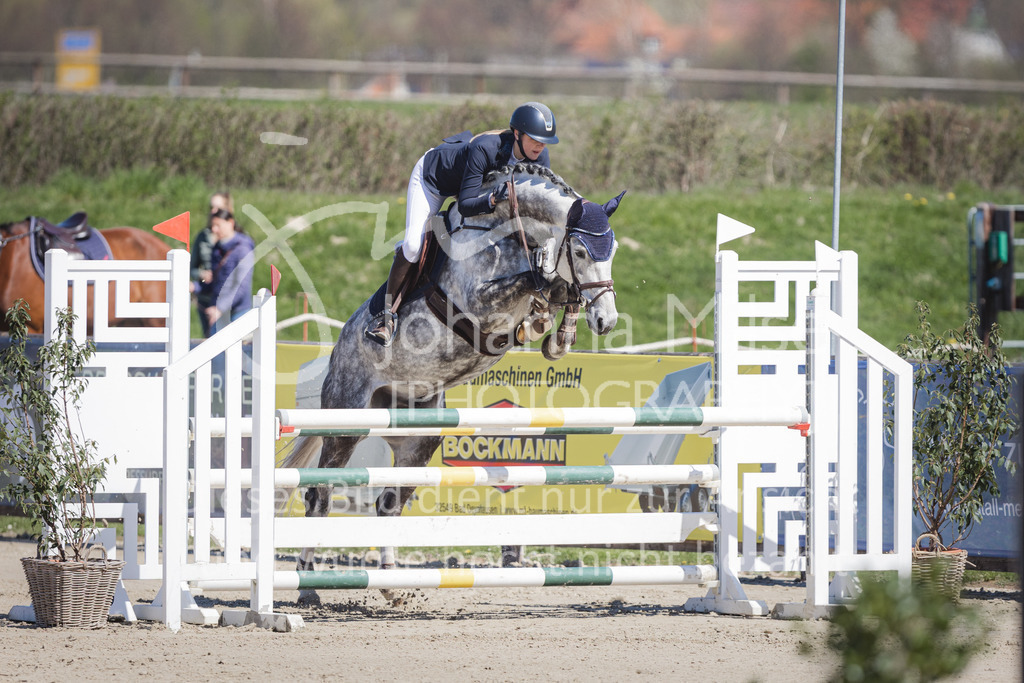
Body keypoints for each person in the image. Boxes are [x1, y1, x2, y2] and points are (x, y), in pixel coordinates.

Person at [365, 102, 559, 347]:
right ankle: (386, 317)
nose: (540, 146)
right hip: (434, 182)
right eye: (535, 139)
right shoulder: (485, 148)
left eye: (544, 142)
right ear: (517, 134)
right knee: (414, 247)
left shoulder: (540, 158)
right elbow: (466, 204)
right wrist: (491, 200)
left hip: (475, 188)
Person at [204, 207, 255, 334]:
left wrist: (220, 308)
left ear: (230, 223)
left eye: (218, 225)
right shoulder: (217, 248)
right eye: (212, 226)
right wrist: (196, 286)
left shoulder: (243, 249)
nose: (214, 230)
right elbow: (215, 282)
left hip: (237, 313)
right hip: (219, 313)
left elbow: (241, 286)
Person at [191, 192, 233, 337]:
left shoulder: (236, 238)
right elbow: (192, 269)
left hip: (227, 299)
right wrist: (201, 275)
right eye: (211, 207)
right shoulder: (203, 236)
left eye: (218, 208)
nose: (213, 211)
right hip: (206, 298)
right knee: (209, 340)